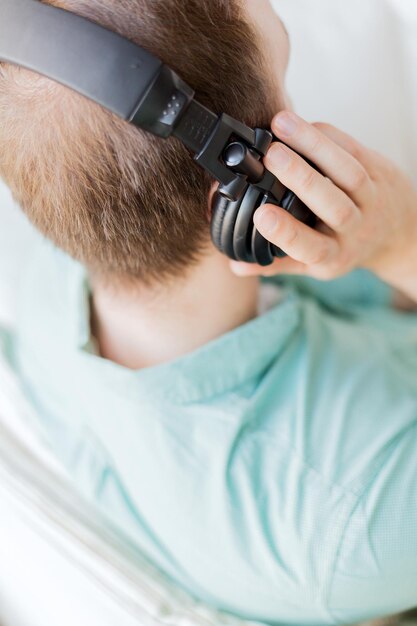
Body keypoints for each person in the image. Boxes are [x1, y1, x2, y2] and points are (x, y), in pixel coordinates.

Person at [0, 0, 416, 624]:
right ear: (250, 194)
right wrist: (404, 240)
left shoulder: (50, 270)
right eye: (284, 53)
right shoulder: (365, 508)